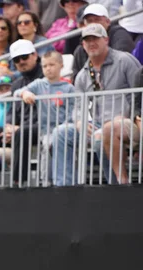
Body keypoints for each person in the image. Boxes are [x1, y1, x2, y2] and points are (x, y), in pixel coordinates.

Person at [59, 23, 141, 185]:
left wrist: (132, 116)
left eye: (95, 38)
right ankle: (64, 186)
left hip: (127, 121)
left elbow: (139, 92)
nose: (91, 43)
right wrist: (80, 121)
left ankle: (117, 184)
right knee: (60, 133)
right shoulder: (83, 74)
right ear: (82, 45)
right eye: (87, 40)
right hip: (98, 123)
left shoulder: (124, 60)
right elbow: (78, 105)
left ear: (106, 40)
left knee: (102, 135)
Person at [13, 51, 76, 185]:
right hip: (45, 131)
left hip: (63, 130)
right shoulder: (38, 84)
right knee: (47, 146)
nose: (48, 68)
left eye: (52, 65)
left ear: (61, 65)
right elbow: (17, 92)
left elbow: (73, 111)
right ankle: (46, 181)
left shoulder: (69, 88)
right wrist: (25, 93)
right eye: (45, 66)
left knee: (57, 145)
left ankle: (63, 181)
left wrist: (64, 126)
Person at [3, 39, 43, 185]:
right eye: (16, 59)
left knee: (22, 133)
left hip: (42, 126)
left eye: (24, 57)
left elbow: (46, 113)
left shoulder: (45, 78)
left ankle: (17, 181)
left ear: (35, 55)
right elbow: (12, 111)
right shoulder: (16, 84)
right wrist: (8, 126)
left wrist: (17, 128)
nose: (21, 61)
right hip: (21, 128)